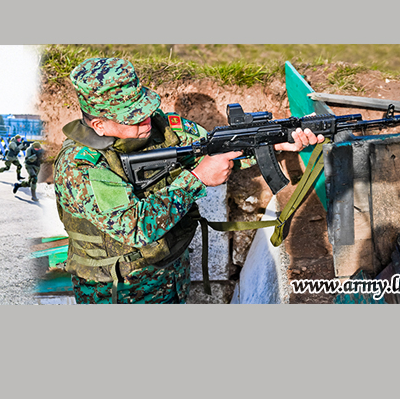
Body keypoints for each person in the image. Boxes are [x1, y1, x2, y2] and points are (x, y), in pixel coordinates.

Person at [53, 57, 324, 304]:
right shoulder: (80, 166)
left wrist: (275, 144)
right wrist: (197, 179)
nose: (146, 120)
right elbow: (135, 228)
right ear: (99, 125)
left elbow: (214, 150)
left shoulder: (161, 127)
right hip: (117, 291)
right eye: (133, 118)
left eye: (145, 108)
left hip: (172, 273)